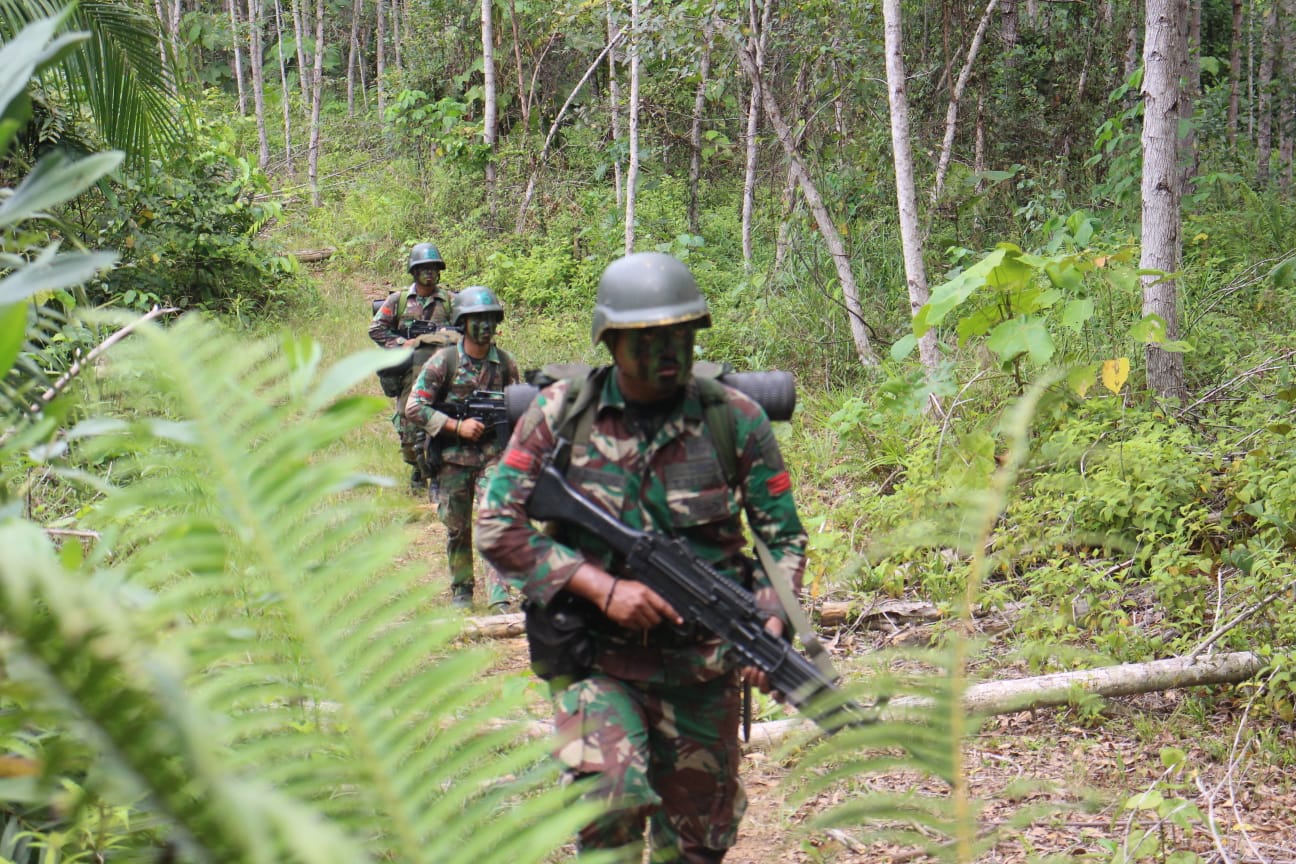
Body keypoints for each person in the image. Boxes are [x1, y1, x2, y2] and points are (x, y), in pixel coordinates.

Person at [475, 252, 808, 863]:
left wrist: (771, 619)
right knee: (612, 803)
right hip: (597, 660)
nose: (669, 353)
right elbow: (498, 524)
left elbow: (781, 540)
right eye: (649, 340)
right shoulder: (561, 415)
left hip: (702, 670)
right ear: (612, 342)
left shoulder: (734, 421)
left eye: (680, 336)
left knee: (698, 844)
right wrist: (600, 587)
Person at [406, 285, 521, 610]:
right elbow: (415, 406)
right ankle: (462, 590)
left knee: (494, 520)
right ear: (462, 323)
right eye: (477, 320)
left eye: (490, 320)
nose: (485, 327)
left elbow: (519, 409)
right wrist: (456, 426)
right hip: (452, 459)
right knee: (457, 528)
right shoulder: (446, 361)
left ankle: (500, 597)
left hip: (492, 457)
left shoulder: (505, 364)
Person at [369, 242, 457, 492]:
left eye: (433, 268)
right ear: (414, 272)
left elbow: (467, 331)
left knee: (447, 421)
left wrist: (447, 339)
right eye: (423, 268)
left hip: (444, 372)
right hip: (411, 374)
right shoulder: (398, 301)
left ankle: (441, 473)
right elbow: (376, 328)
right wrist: (402, 343)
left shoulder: (451, 301)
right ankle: (418, 469)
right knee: (409, 429)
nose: (429, 272)